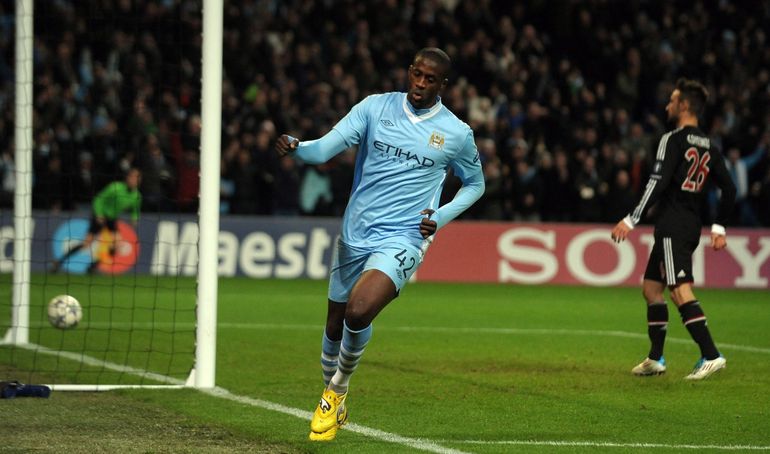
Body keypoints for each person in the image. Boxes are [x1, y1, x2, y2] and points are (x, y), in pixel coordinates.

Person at [275, 48, 484, 441]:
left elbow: (476, 184)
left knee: (359, 310)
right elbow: (324, 148)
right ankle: (332, 394)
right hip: (356, 232)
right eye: (416, 75)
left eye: (430, 79)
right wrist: (298, 146)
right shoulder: (374, 108)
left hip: (404, 236)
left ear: (443, 85)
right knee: (335, 323)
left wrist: (440, 216)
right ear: (409, 72)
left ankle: (336, 390)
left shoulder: (456, 133)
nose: (420, 84)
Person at [611, 78, 736, 380]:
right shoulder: (709, 145)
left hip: (672, 225)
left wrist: (631, 218)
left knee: (680, 290)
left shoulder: (673, 139)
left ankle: (711, 354)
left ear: (683, 105)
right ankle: (656, 358)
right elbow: (729, 189)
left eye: (672, 100)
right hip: (689, 222)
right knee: (651, 289)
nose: (667, 104)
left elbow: (657, 182)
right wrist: (718, 227)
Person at [52, 168, 142, 273]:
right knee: (86, 244)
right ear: (127, 178)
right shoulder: (115, 187)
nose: (134, 180)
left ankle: (92, 267)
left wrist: (134, 219)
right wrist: (99, 214)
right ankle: (59, 262)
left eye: (137, 178)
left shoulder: (136, 196)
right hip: (100, 216)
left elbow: (136, 211)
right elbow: (99, 199)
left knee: (117, 245)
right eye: (132, 177)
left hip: (112, 219)